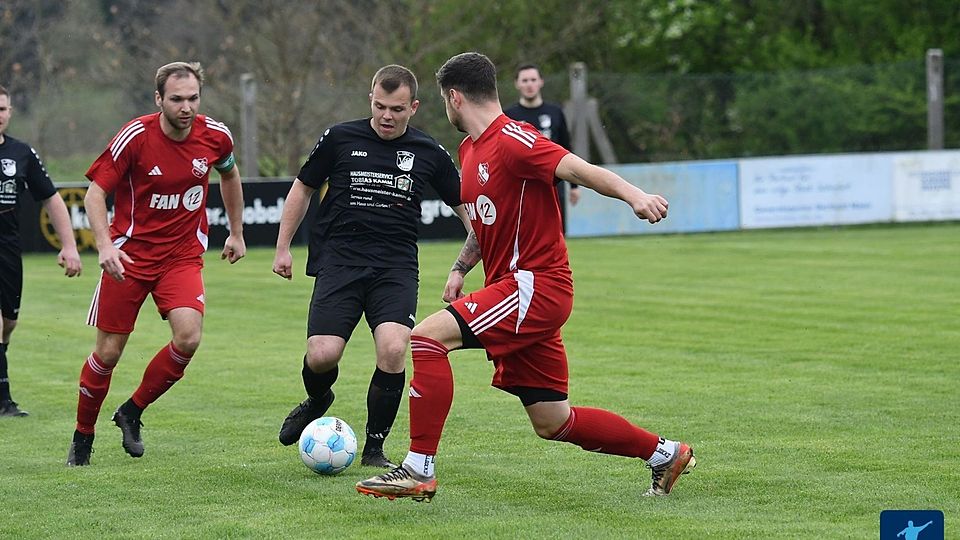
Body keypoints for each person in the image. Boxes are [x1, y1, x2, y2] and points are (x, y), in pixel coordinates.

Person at [357, 52, 693, 502]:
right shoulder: (470, 149)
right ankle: (665, 454)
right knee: (553, 421)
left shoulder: (513, 138)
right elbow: (485, 224)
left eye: (443, 101)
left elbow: (578, 169)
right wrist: (460, 267)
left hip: (536, 285)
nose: (446, 109)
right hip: (519, 291)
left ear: (454, 97)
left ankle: (419, 468)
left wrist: (634, 195)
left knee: (425, 338)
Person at [272, 64, 467, 469]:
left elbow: (469, 208)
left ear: (413, 107)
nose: (386, 116)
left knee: (394, 349)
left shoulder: (429, 151)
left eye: (396, 109)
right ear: (370, 100)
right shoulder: (340, 137)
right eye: (380, 106)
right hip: (340, 261)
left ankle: (374, 449)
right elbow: (303, 187)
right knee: (323, 354)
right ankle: (319, 398)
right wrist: (282, 247)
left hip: (394, 267)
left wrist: (468, 262)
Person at [66, 62, 246, 466]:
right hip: (128, 257)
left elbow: (229, 175)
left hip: (181, 257)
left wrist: (236, 231)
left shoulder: (215, 136)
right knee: (108, 353)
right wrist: (106, 246)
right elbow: (95, 194)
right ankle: (83, 436)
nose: (187, 107)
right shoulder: (135, 137)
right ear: (159, 99)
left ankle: (131, 411)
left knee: (188, 337)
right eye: (177, 99)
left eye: (193, 98)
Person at [0, 85, 82, 417]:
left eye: (2, 109)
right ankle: (4, 400)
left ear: (9, 112)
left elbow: (50, 197)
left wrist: (69, 245)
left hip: (8, 247)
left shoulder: (21, 153)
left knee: (9, 323)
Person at [503, 63, 580, 230]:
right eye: (524, 80)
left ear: (541, 82)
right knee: (525, 232)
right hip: (522, 183)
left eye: (533, 79)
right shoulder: (509, 115)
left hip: (553, 180)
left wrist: (574, 186)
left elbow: (566, 146)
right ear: (517, 84)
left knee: (556, 230)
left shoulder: (555, 112)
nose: (529, 84)